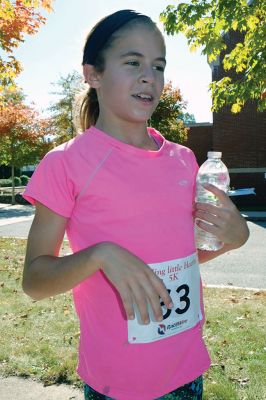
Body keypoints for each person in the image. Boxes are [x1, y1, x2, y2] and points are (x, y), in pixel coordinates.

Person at [22, 9, 249, 400]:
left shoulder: (184, 160)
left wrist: (235, 235)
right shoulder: (66, 163)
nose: (150, 77)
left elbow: (183, 256)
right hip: (119, 382)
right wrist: (101, 256)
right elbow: (34, 281)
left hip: (188, 369)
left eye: (158, 66)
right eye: (133, 62)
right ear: (93, 74)